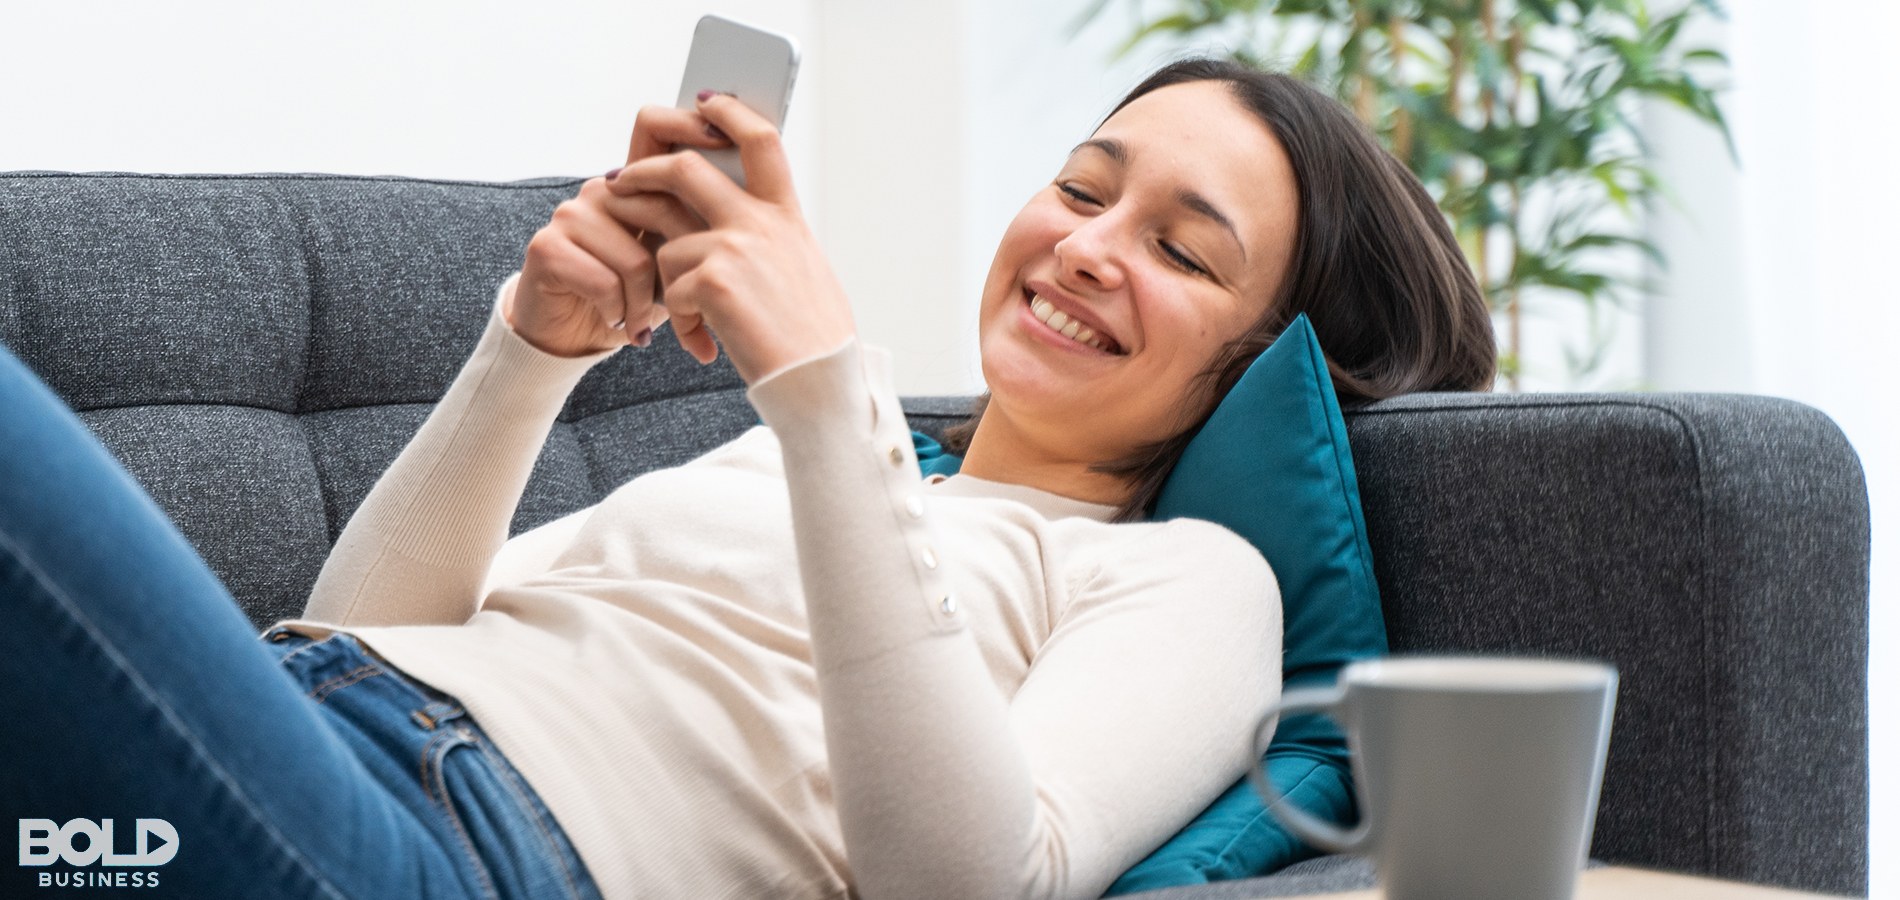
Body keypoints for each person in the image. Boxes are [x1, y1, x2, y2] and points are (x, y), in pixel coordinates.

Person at [0, 58, 1493, 899]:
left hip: (441, 852)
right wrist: (533, 353)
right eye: (1084, 189)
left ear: (1257, 360)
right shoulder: (795, 461)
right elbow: (369, 630)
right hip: (279, 750)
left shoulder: (1180, 573)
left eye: (1180, 249)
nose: (1092, 244)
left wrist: (826, 384)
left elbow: (979, 885)